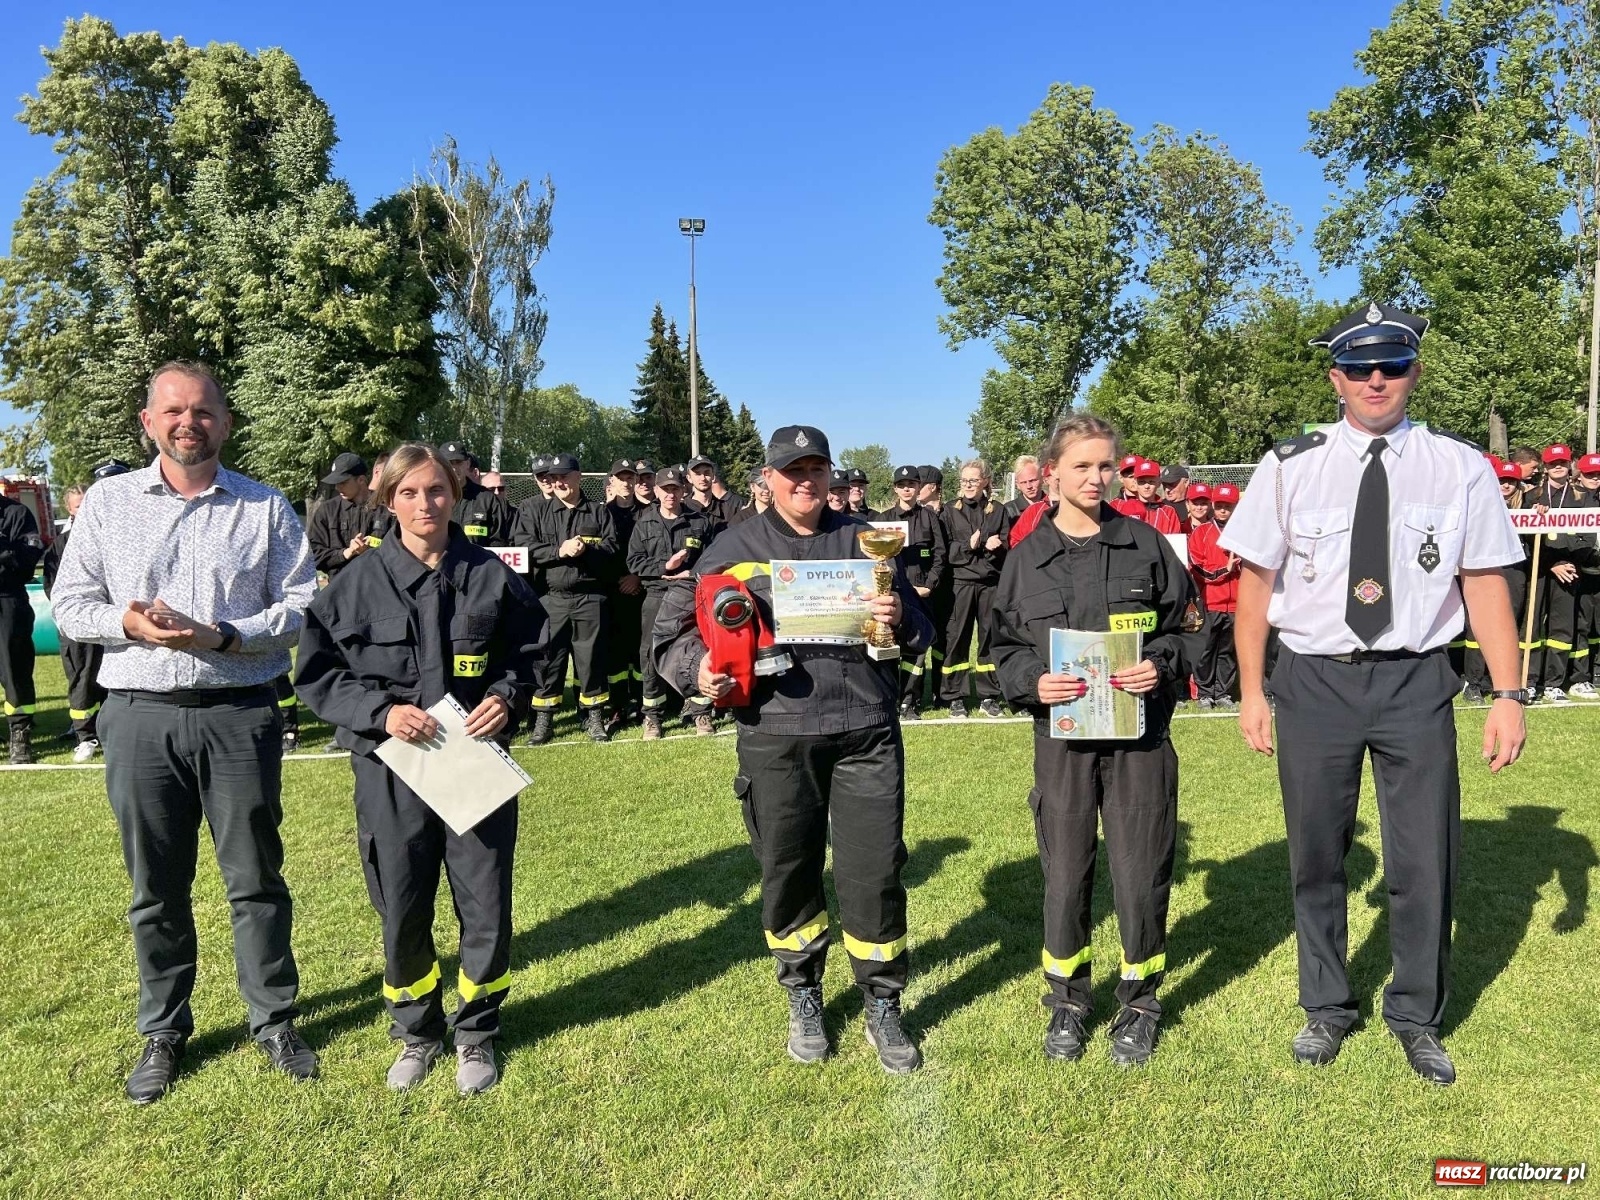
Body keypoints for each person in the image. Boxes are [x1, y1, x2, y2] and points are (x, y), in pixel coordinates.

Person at [1220, 302, 1526, 1086]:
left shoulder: (1460, 467)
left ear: (1415, 372)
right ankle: (1327, 1005)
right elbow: (1253, 587)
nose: (1377, 379)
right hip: (1314, 679)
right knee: (1317, 851)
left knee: (1426, 857)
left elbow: (1485, 580)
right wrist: (1252, 691)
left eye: (1392, 365)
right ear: (1337, 378)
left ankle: (1417, 1013)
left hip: (1416, 677)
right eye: (1360, 367)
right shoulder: (1289, 464)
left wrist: (1508, 694)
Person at [51, 360, 320, 1103]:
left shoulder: (264, 508)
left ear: (225, 423)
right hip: (139, 715)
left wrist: (223, 635)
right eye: (172, 411)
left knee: (256, 880)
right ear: (148, 421)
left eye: (203, 411)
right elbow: (71, 604)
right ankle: (164, 1031)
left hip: (238, 715)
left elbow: (301, 607)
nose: (187, 423)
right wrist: (126, 623)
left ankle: (272, 1018)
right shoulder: (107, 504)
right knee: (155, 889)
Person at [651, 425, 934, 1073]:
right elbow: (671, 635)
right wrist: (698, 672)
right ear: (767, 479)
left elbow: (922, 631)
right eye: (791, 470)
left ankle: (882, 1003)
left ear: (833, 474)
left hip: (865, 732)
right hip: (775, 733)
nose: (805, 481)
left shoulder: (869, 539)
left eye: (816, 468)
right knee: (787, 870)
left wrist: (900, 622)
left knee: (875, 872)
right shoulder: (732, 546)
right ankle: (803, 991)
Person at [295, 444, 545, 1094]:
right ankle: (416, 1031)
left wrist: (506, 697)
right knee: (402, 905)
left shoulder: (493, 577)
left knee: (484, 903)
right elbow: (319, 676)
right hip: (392, 770)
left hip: (473, 768)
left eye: (435, 490)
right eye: (409, 493)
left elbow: (530, 654)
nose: (424, 504)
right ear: (388, 501)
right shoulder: (351, 587)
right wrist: (382, 713)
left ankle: (477, 1034)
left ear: (454, 494)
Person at [991, 413, 1192, 1066]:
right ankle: (1068, 1005)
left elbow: (1189, 628)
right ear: (1052, 474)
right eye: (1081, 466)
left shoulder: (1145, 544)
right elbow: (1002, 647)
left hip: (1140, 741)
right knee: (1065, 878)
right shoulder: (1026, 560)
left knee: (1140, 877)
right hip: (1064, 744)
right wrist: (1031, 681)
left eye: (1105, 465)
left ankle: (1138, 1004)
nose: (1095, 477)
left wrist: (1159, 663)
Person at [514, 452, 617, 743]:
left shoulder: (598, 512)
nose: (557, 482)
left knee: (591, 661)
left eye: (563, 477)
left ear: (578, 477)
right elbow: (524, 548)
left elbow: (613, 550)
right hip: (551, 598)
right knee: (548, 661)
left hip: (590, 598)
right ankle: (544, 723)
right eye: (554, 478)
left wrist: (589, 551)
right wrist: (559, 551)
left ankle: (595, 719)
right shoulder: (538, 512)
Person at [41, 464, 128, 762]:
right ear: (69, 508)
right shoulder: (62, 543)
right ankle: (84, 736)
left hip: (115, 622)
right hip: (80, 625)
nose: (84, 509)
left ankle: (108, 730)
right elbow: (53, 585)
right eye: (78, 506)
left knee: (112, 677)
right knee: (81, 679)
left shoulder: (115, 534)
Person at [627, 466, 712, 738]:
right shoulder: (644, 523)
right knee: (651, 655)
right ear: (656, 491)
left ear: (683, 490)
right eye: (665, 489)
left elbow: (714, 559)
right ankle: (652, 717)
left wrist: (693, 573)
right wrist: (665, 565)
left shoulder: (699, 522)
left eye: (675, 489)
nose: (670, 494)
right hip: (656, 596)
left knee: (696, 651)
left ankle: (700, 713)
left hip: (689, 596)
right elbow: (634, 561)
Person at [873, 464, 949, 719]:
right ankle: (889, 698)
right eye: (902, 485)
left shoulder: (929, 517)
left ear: (918, 488)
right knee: (889, 647)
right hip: (893, 592)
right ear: (895, 489)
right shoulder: (883, 520)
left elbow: (940, 553)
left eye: (912, 485)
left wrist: (929, 584)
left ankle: (909, 702)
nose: (907, 489)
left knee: (917, 649)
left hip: (922, 593)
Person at [939, 459, 1011, 718]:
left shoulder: (998, 510)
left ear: (985, 482)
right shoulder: (949, 510)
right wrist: (970, 545)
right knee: (957, 638)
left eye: (973, 480)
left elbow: (1006, 548)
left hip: (990, 584)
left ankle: (988, 695)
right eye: (963, 480)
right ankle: (954, 696)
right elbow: (945, 551)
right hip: (960, 583)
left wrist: (997, 546)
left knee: (989, 640)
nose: (967, 485)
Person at [1526, 444, 1597, 703]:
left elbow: (1587, 536)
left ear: (1569, 466)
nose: (1558, 467)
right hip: (1540, 570)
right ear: (1545, 467)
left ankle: (1554, 683)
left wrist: (1568, 561)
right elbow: (1523, 540)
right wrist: (1549, 564)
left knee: (1562, 629)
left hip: (1569, 570)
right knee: (1532, 627)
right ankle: (1530, 680)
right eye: (1553, 463)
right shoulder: (1532, 496)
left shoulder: (1581, 497)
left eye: (1563, 463)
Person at [1463, 461, 1532, 702]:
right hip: (1485, 568)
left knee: (1508, 623)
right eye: (1502, 480)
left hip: (1515, 570)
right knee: (1478, 627)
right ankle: (1473, 682)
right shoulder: (1484, 502)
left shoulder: (1527, 505)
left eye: (1511, 481)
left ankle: (1498, 681)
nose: (1506, 485)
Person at [0, 474, 45, 764]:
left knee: (14, 669)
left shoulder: (17, 513)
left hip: (7, 600)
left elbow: (29, 557)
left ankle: (20, 735)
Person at [1188, 482, 1241, 710]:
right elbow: (1196, 567)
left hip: (1237, 603)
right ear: (1212, 505)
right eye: (1219, 505)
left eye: (1227, 506)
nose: (1222, 510)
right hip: (1210, 601)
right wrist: (1224, 570)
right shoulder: (1201, 532)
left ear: (1235, 507)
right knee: (1206, 649)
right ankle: (1205, 692)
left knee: (1228, 651)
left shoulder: (1245, 532)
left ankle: (1223, 692)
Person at [605, 459, 646, 730]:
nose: (627, 482)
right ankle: (618, 705)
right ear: (612, 482)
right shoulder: (601, 513)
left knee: (640, 650)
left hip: (641, 590)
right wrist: (616, 580)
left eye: (631, 478)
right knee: (615, 653)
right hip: (611, 592)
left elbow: (656, 553)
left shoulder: (649, 512)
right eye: (621, 478)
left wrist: (637, 577)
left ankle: (642, 702)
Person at [916, 466, 953, 700]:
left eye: (920, 484)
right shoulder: (915, 514)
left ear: (933, 487)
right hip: (920, 587)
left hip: (946, 587)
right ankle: (914, 695)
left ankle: (942, 692)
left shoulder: (949, 512)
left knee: (943, 641)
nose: (915, 488)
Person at [1567, 452, 1600, 700]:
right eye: (1590, 474)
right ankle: (1580, 676)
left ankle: (1596, 672)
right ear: (1580, 475)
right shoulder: (1573, 501)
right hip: (1580, 571)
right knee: (1581, 625)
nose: (1595, 478)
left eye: (1598, 475)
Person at [440, 442, 512, 547]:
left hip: (478, 562)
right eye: (450, 463)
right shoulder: (433, 498)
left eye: (458, 462)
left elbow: (498, 540)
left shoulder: (487, 499)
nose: (454, 468)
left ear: (467, 464)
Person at [1112, 461, 1184, 534]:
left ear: (1159, 483)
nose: (1146, 486)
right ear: (1135, 484)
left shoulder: (1168, 512)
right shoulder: (1124, 508)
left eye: (1151, 482)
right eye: (1142, 482)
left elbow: (1174, 541)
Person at [685, 455, 735, 532]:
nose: (703, 478)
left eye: (707, 473)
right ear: (689, 478)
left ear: (713, 476)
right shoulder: (682, 510)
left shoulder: (727, 510)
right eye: (697, 474)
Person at [1004, 455, 1044, 522]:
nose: (1029, 486)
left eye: (1032, 480)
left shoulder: (1054, 506)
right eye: (1023, 482)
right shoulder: (1008, 511)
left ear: (1042, 479)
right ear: (1017, 485)